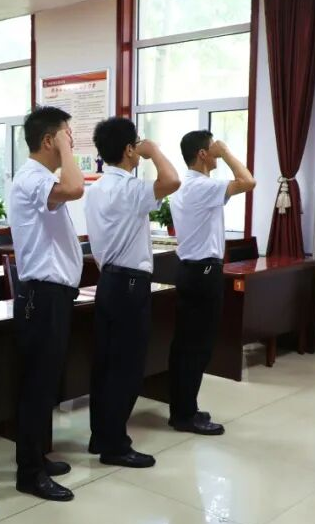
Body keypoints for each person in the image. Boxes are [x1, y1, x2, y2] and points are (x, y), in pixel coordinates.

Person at [85, 117, 180, 467]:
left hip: (108, 281)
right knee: (126, 366)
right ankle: (115, 445)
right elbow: (172, 180)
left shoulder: (96, 188)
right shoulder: (130, 189)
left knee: (106, 364)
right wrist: (154, 151)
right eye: (136, 144)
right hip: (129, 284)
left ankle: (101, 436)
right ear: (129, 149)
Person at [8, 106, 85, 501]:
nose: (72, 141)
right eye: (67, 135)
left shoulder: (42, 179)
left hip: (53, 294)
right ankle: (29, 473)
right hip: (42, 295)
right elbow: (76, 187)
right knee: (37, 385)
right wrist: (66, 149)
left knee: (46, 382)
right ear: (48, 140)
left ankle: (37, 455)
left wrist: (64, 145)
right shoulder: (32, 178)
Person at [167, 131, 255, 435]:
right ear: (202, 154)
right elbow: (248, 181)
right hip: (203, 273)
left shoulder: (187, 186)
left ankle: (184, 409)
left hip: (191, 270)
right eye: (212, 148)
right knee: (197, 347)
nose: (217, 152)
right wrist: (227, 151)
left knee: (187, 345)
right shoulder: (201, 186)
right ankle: (184, 415)